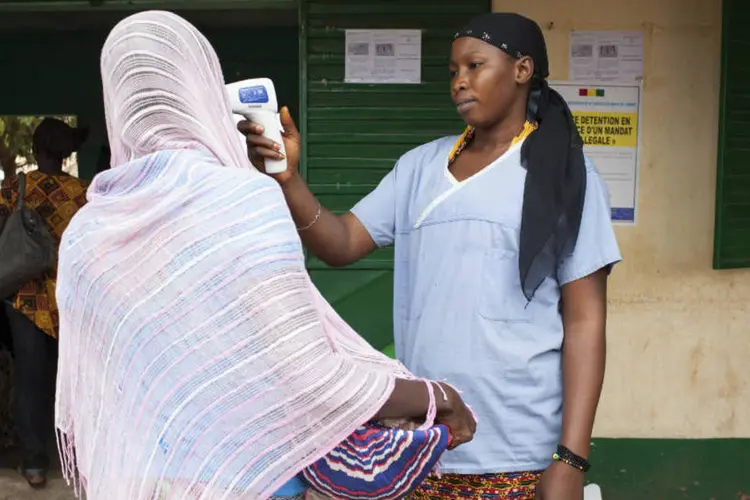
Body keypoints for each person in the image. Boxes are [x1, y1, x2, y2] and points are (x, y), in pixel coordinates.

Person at [53, 11, 475, 500]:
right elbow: (313, 378)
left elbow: (91, 406)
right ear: (203, 86)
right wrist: (438, 397)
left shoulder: (86, 231)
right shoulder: (245, 201)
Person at [241, 12, 622, 500]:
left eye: (475, 65)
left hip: (519, 451)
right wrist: (287, 179)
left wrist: (570, 458)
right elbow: (340, 243)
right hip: (423, 443)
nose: (460, 81)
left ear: (523, 70)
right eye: (452, 71)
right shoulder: (418, 167)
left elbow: (586, 323)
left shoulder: (567, 176)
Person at [0, 117, 89, 489]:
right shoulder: (84, 194)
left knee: (30, 378)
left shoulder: (13, 188)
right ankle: (78, 457)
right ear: (66, 152)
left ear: (36, 150)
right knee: (73, 380)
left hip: (25, 299)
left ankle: (35, 462)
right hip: (69, 299)